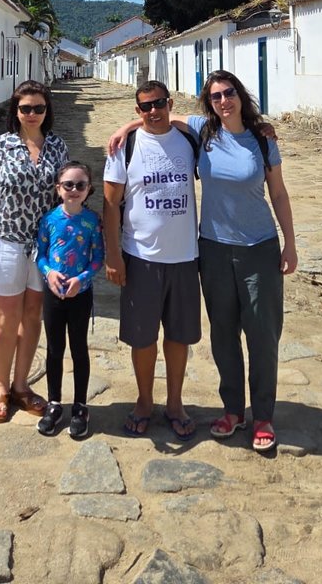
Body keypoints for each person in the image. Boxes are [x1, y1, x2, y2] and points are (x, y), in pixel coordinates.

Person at [108, 71, 295, 453]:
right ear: (208, 103)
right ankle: (232, 410)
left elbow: (278, 193)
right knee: (223, 334)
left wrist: (290, 243)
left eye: (229, 93)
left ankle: (262, 416)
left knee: (262, 335)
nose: (224, 101)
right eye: (215, 96)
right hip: (211, 248)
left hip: (257, 247)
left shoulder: (261, 140)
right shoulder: (203, 132)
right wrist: (127, 125)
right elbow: (159, 121)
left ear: (240, 95)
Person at [103, 80, 201, 440]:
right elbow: (110, 204)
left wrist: (262, 129)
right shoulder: (125, 147)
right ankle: (144, 401)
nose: (153, 111)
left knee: (179, 337)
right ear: (137, 110)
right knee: (142, 339)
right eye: (145, 107)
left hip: (185, 255)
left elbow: (221, 125)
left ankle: (175, 402)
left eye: (159, 103)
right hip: (140, 256)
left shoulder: (189, 141)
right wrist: (113, 255)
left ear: (170, 103)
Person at [0, 80, 69, 423]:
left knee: (33, 316)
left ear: (47, 111)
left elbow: (64, 195)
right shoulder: (0, 146)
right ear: (16, 111)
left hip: (43, 247)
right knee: (5, 318)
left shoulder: (57, 147)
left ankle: (21, 385)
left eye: (39, 108)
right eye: (25, 108)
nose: (32, 114)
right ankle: (0, 386)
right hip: (6, 243)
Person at [35, 160, 105, 439]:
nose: (74, 190)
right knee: (54, 349)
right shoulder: (48, 220)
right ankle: (54, 403)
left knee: (78, 348)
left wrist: (81, 279)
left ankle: (80, 405)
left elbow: (98, 257)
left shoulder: (92, 221)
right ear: (58, 188)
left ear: (88, 189)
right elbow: (40, 254)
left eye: (80, 185)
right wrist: (49, 273)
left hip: (80, 294)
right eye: (68, 185)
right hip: (53, 294)